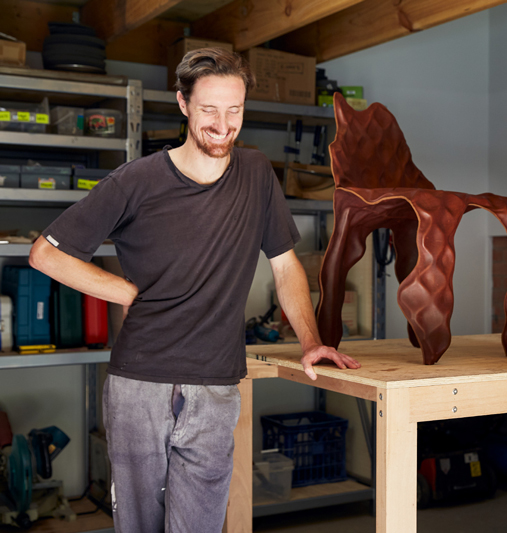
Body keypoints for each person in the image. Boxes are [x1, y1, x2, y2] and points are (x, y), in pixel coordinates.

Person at [28, 47, 360, 532]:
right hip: (140, 386)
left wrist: (311, 342)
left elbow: (286, 265)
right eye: (209, 110)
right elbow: (46, 253)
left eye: (235, 110)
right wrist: (126, 293)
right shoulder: (135, 181)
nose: (223, 125)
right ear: (183, 104)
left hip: (216, 386)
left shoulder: (256, 176)